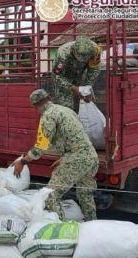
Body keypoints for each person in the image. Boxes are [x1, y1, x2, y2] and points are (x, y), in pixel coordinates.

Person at [11, 89, 99, 221]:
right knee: (85, 194)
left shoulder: (47, 116)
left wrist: (23, 161)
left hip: (76, 158)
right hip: (91, 157)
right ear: (48, 98)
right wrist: (65, 157)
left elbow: (40, 148)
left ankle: (61, 230)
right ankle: (92, 225)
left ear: (35, 105)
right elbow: (77, 135)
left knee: (49, 195)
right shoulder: (66, 110)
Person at [52, 35, 101, 111]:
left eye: (85, 58)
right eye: (79, 57)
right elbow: (57, 76)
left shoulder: (95, 50)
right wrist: (73, 88)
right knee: (66, 107)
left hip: (81, 75)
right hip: (65, 77)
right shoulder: (63, 53)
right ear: (72, 50)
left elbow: (93, 71)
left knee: (84, 105)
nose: (82, 60)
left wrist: (86, 88)